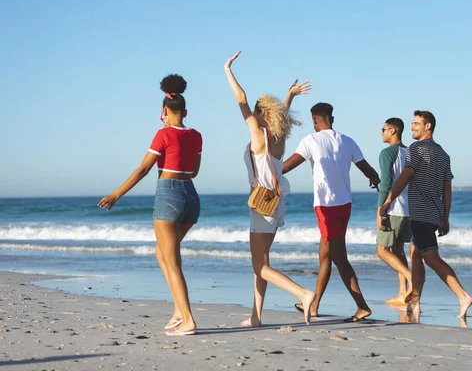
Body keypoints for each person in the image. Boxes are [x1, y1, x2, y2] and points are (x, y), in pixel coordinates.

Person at [98, 74, 202, 336]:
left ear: (164, 111)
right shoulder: (197, 135)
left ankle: (188, 319)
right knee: (162, 254)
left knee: (172, 260)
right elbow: (194, 171)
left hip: (168, 193)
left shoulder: (162, 134)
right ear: (185, 111)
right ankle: (179, 310)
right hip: (191, 195)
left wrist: (116, 194)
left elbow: (143, 170)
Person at [224, 51, 316, 326]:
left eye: (255, 112)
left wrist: (227, 69)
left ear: (261, 113)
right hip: (276, 205)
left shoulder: (258, 133)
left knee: (260, 266)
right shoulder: (279, 137)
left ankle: (303, 293)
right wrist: (289, 96)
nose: (250, 114)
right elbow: (282, 115)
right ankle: (256, 316)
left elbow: (240, 99)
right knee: (260, 264)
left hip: (261, 206)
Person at [283, 102, 380, 322]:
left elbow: (287, 166)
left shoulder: (311, 140)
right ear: (331, 118)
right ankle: (314, 305)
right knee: (325, 255)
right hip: (345, 204)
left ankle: (362, 306)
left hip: (325, 206)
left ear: (315, 119)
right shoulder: (347, 141)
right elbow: (367, 168)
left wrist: (266, 168)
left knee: (338, 257)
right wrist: (376, 180)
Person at [380, 110, 472, 318]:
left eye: (416, 124)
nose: (411, 127)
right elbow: (447, 188)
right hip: (432, 213)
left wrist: (388, 201)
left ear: (428, 126)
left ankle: (463, 296)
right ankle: (415, 303)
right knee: (415, 256)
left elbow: (404, 177)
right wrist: (445, 216)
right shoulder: (443, 154)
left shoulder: (416, 149)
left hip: (420, 213)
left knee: (431, 258)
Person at [375, 118, 413, 306]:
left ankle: (411, 278)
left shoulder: (387, 153)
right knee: (398, 250)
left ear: (393, 131)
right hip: (410, 209)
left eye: (383, 129)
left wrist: (380, 210)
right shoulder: (410, 152)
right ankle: (402, 293)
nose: (381, 133)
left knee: (381, 250)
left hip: (394, 208)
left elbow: (385, 183)